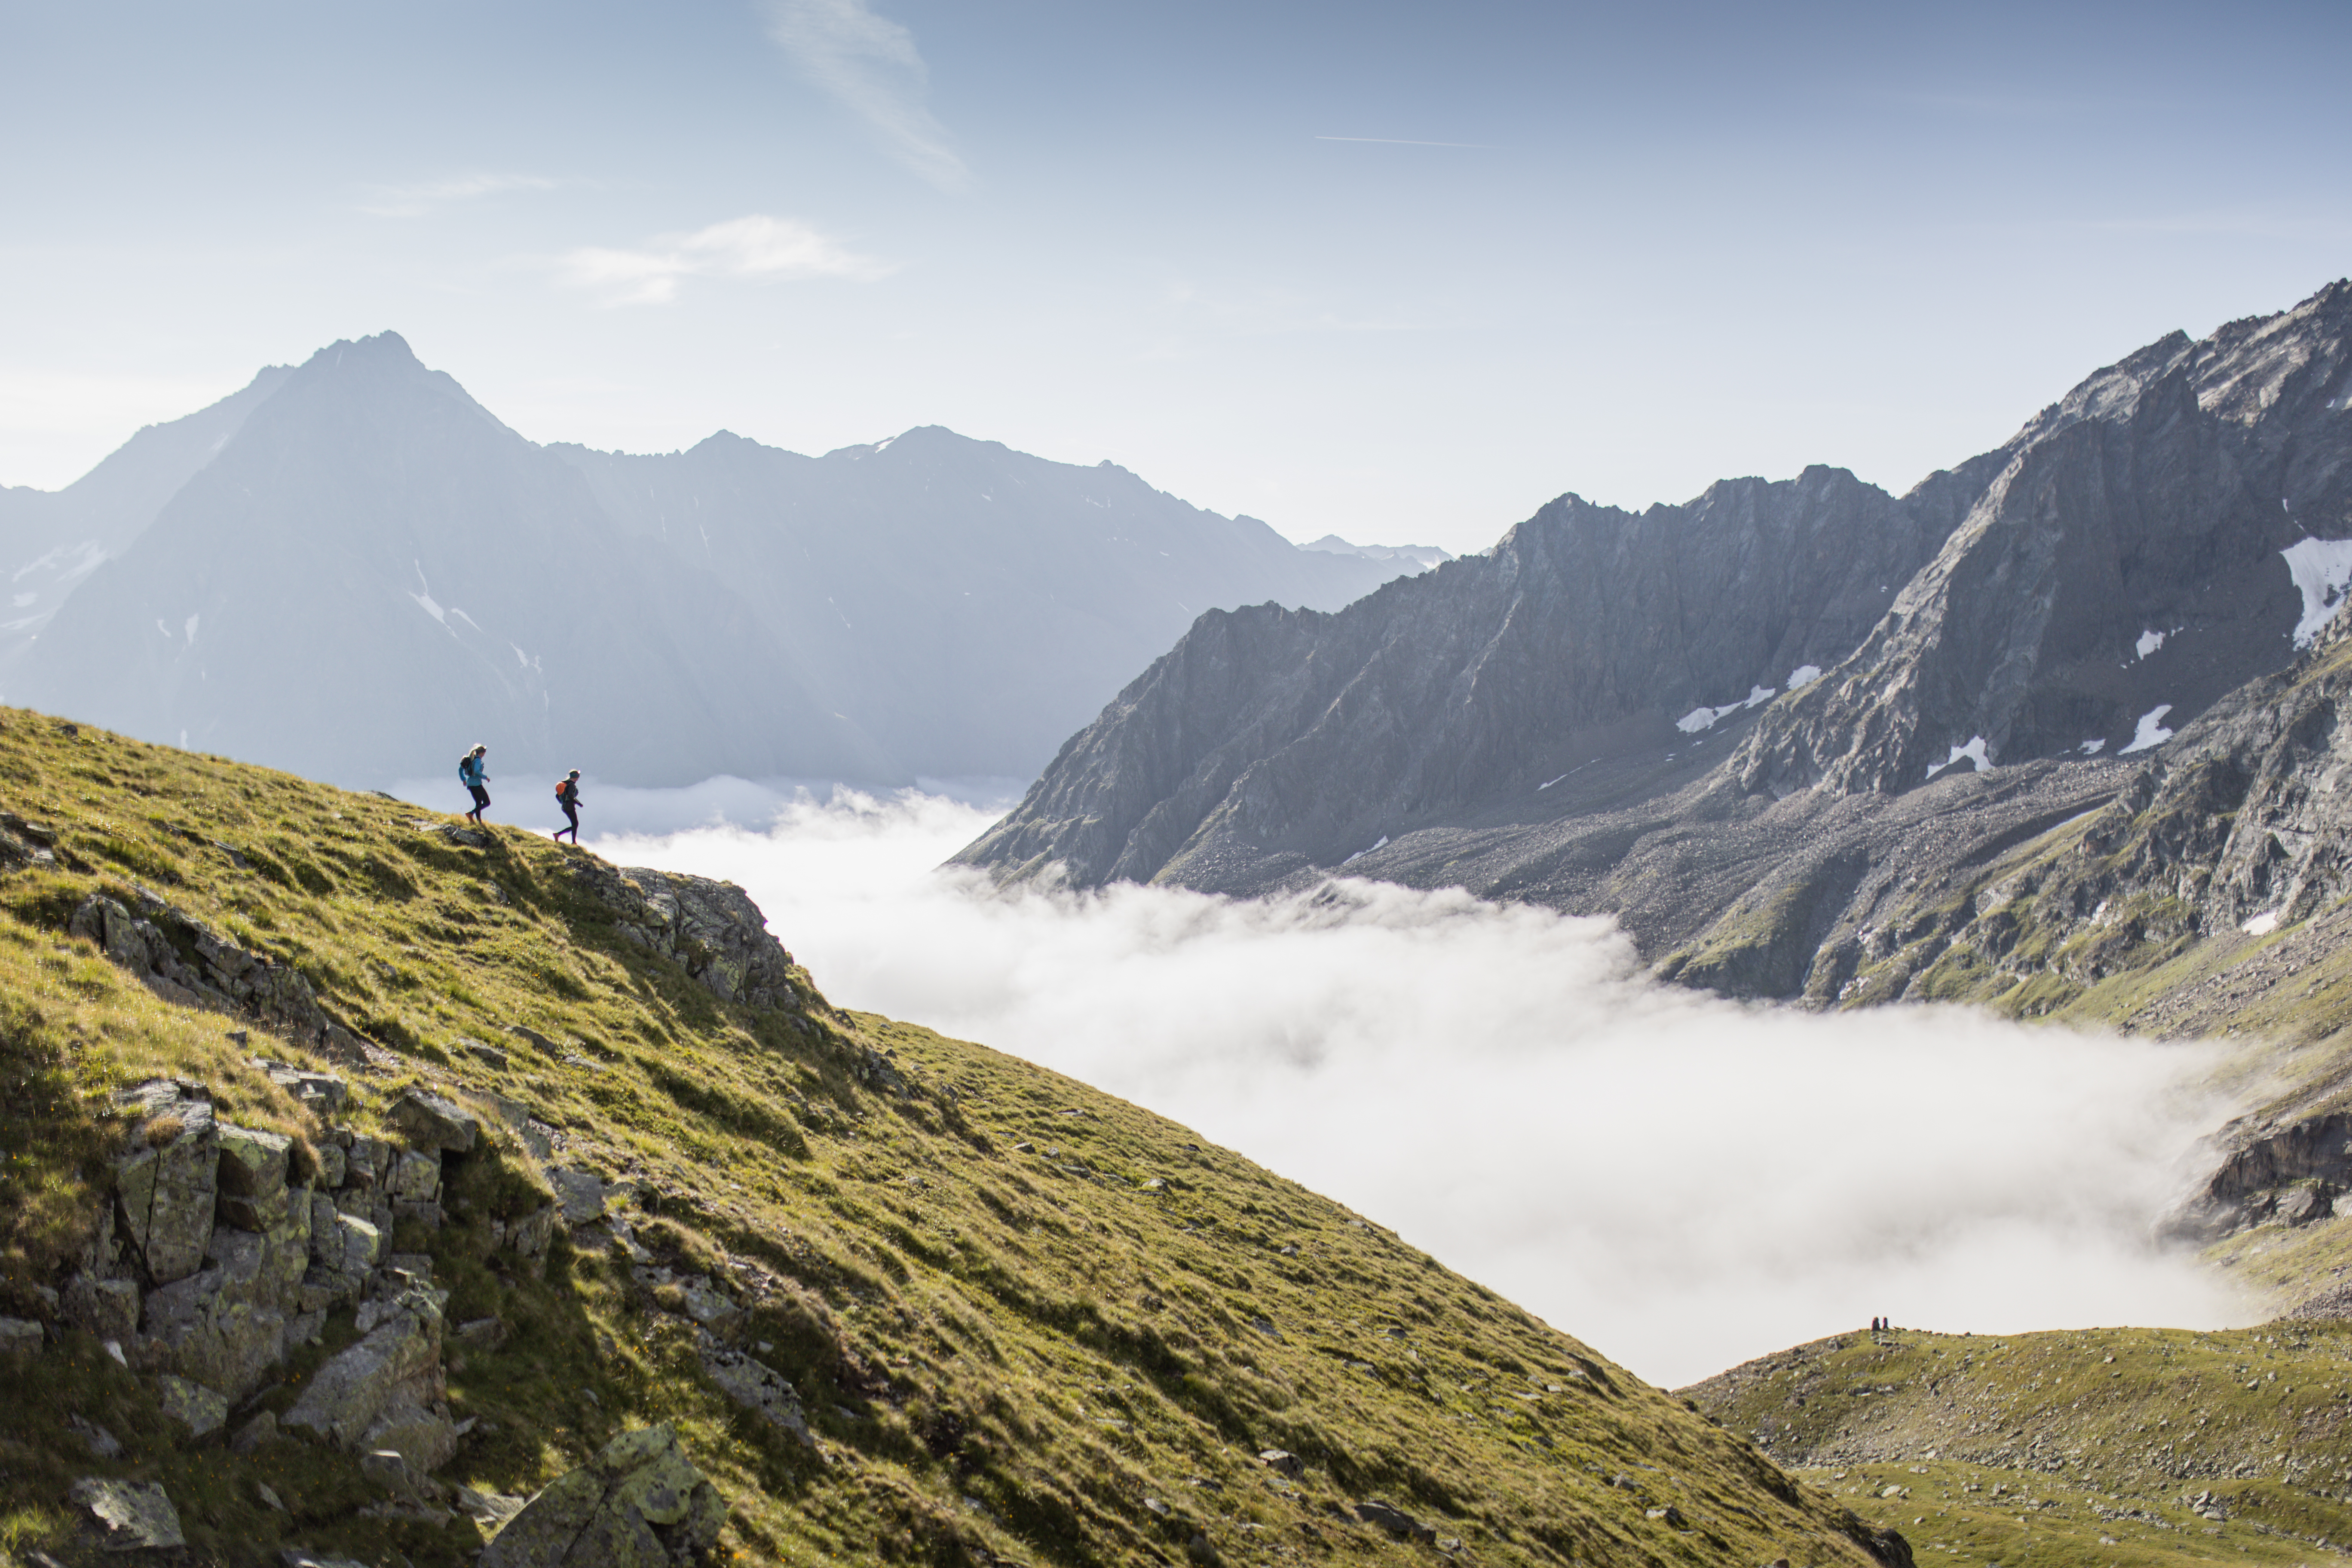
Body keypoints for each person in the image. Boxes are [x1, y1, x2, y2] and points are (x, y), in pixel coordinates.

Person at [459, 744, 491, 824]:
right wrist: (485, 777)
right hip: (477, 785)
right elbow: (477, 771)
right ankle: (471, 813)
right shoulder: (478, 761)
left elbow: (460, 769)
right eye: (484, 753)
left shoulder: (471, 759)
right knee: (487, 802)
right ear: (482, 753)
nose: (484, 755)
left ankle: (479, 822)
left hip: (470, 785)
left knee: (478, 803)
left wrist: (464, 780)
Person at [554, 769, 582, 844]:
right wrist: (579, 804)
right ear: (576, 777)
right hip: (570, 807)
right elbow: (570, 796)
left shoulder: (564, 783)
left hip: (565, 807)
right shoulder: (572, 785)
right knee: (575, 824)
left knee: (575, 824)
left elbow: (557, 795)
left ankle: (570, 840)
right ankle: (572, 842)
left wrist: (563, 802)